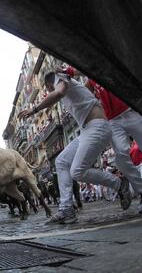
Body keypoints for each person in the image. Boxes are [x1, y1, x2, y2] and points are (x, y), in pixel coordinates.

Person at [18, 71, 131, 224]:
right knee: (62, 161)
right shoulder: (70, 90)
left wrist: (34, 110)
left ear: (49, 83)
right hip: (86, 130)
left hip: (97, 127)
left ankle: (119, 184)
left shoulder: (60, 78)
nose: (47, 92)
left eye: (47, 89)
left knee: (77, 171)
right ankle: (67, 209)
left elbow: (58, 93)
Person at [61, 66, 142, 212]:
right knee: (121, 157)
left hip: (130, 111)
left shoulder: (101, 66)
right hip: (112, 121)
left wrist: (66, 71)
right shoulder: (90, 82)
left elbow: (80, 68)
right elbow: (83, 93)